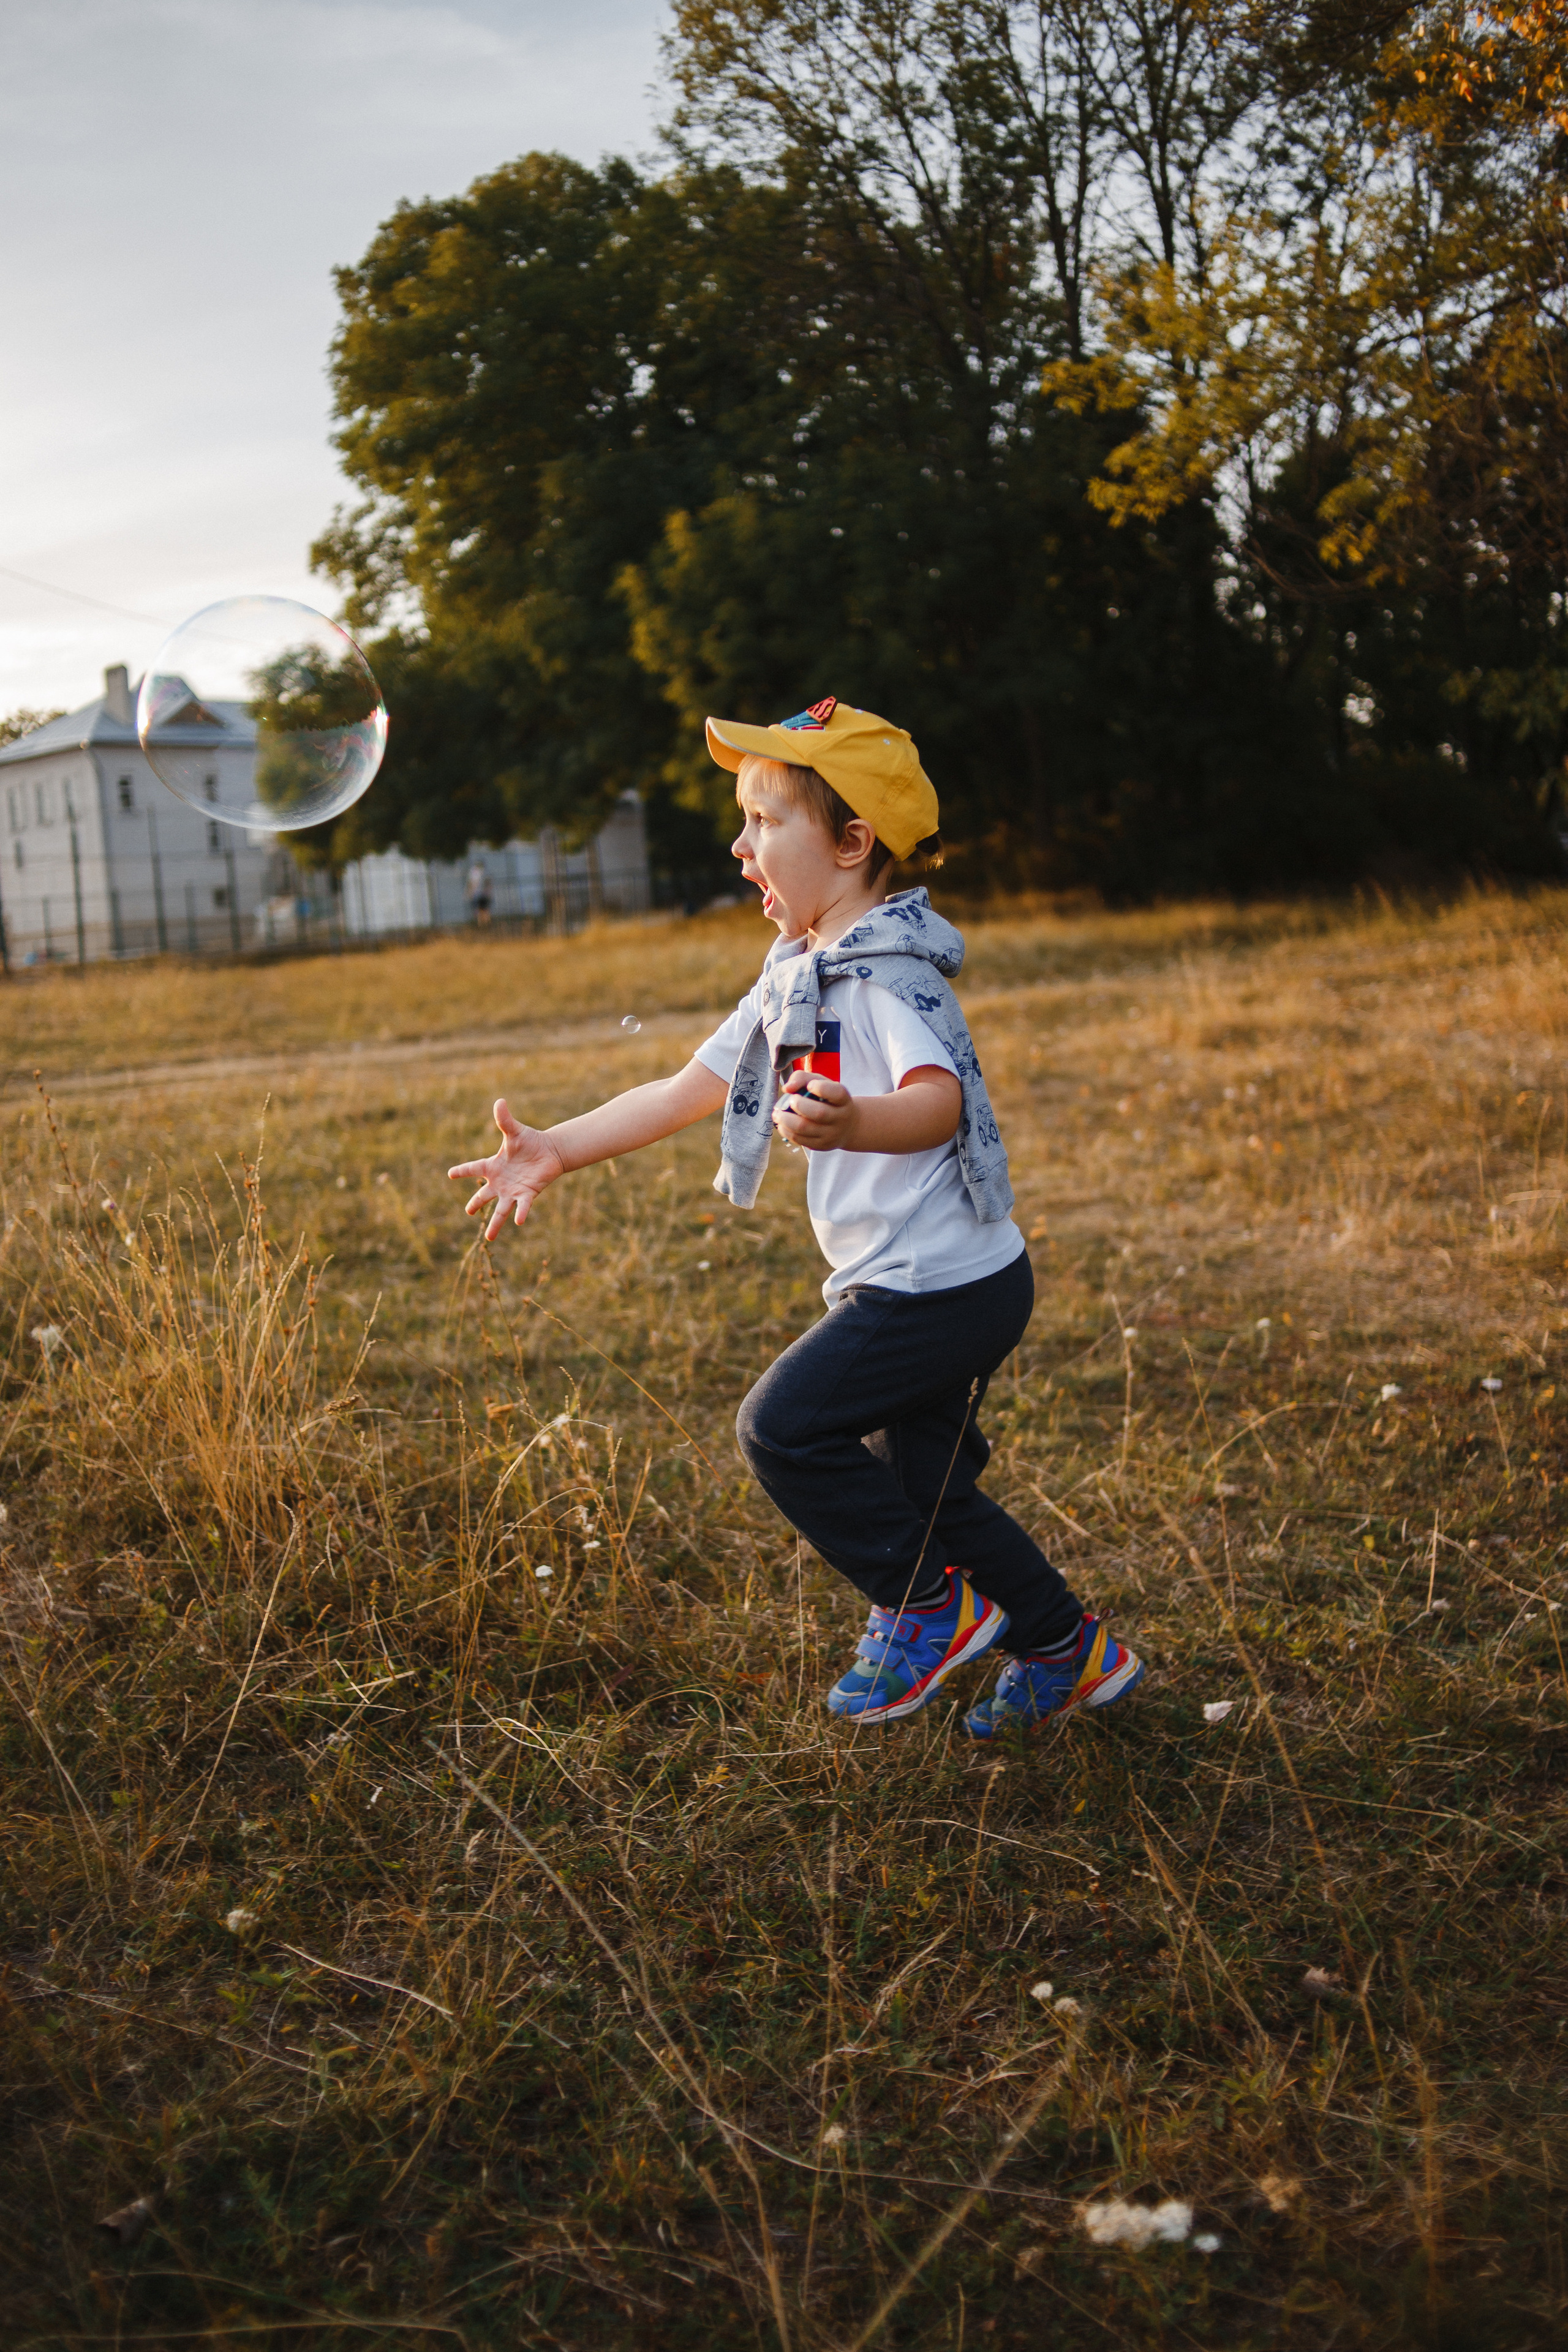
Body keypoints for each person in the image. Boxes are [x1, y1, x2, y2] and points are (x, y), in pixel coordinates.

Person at [447, 698, 1144, 1735]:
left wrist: (858, 1119)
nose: (741, 845)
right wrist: (557, 1147)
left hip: (937, 1290)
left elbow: (937, 1099)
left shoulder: (882, 978)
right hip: (951, 1278)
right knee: (933, 1494)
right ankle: (1069, 1648)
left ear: (854, 842)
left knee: (782, 1428)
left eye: (766, 822)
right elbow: (688, 1086)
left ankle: (925, 1608)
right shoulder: (797, 975)